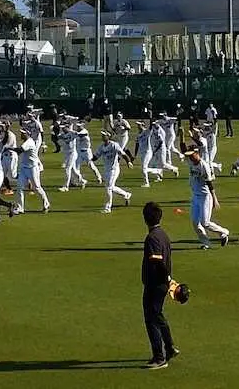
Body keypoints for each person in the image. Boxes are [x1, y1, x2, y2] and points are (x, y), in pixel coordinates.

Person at [141, 201, 180, 370]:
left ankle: (159, 357)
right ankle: (170, 348)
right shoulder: (163, 234)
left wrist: (168, 278)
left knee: (151, 319)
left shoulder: (152, 238)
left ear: (145, 219)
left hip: (155, 284)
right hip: (161, 283)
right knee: (158, 315)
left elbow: (158, 262)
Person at [178, 136, 230, 249]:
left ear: (197, 153)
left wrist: (215, 199)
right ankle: (206, 243)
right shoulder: (191, 161)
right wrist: (181, 135)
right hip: (195, 196)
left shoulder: (204, 166)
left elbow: (210, 183)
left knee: (205, 222)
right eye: (189, 155)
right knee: (195, 223)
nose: (190, 157)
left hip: (205, 196)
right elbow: (183, 149)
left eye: (192, 155)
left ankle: (224, 232)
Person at [93, 129, 134, 213]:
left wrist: (128, 162)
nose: (102, 137)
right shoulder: (101, 146)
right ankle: (126, 194)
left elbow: (123, 154)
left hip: (114, 169)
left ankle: (108, 208)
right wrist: (89, 158)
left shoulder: (114, 145)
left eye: (104, 135)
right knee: (111, 187)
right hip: (106, 170)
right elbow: (95, 157)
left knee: (108, 188)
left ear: (108, 136)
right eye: (102, 135)